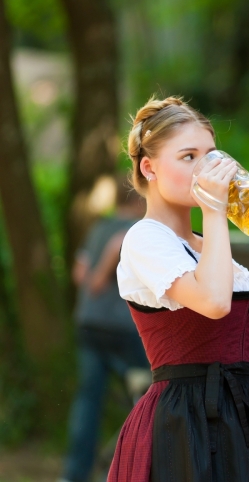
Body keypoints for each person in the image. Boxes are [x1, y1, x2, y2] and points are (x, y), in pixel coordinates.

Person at [108, 97, 249, 482]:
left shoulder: (208, 241)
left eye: (210, 154)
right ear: (149, 167)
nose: (207, 167)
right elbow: (215, 302)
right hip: (184, 421)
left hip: (241, 412)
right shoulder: (144, 238)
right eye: (188, 156)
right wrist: (215, 209)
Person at [59, 176, 149, 482]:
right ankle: (135, 471)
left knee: (88, 401)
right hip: (121, 328)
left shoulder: (97, 227)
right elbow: (115, 247)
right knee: (146, 402)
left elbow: (77, 272)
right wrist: (102, 276)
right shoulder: (135, 230)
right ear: (139, 200)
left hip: (88, 323)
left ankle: (74, 475)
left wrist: (91, 285)